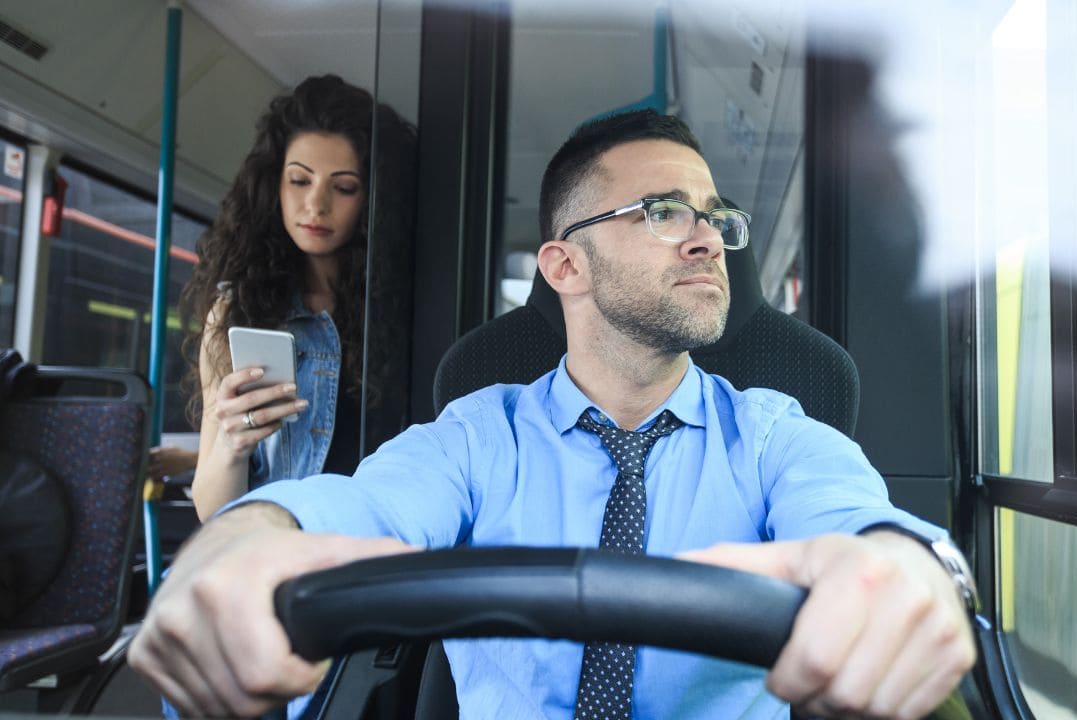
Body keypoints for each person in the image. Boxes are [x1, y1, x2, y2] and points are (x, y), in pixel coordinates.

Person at [130, 110, 975, 720]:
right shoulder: (478, 433)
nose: (707, 238)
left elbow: (863, 521)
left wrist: (903, 571)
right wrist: (238, 544)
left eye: (715, 217)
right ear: (564, 265)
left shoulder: (775, 432)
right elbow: (361, 504)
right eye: (662, 211)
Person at [178, 74, 414, 521]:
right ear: (274, 187)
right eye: (299, 181)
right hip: (278, 549)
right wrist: (231, 443)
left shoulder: (410, 309)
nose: (316, 205)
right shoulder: (239, 309)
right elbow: (212, 510)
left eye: (343, 187)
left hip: (380, 553)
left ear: (373, 200)